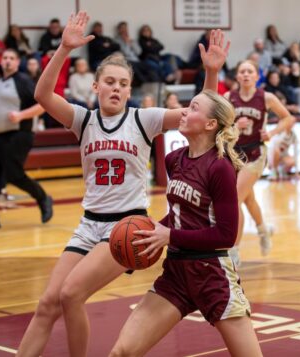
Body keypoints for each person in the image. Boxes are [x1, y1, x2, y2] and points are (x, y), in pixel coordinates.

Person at [16, 11, 229, 357]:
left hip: (126, 226)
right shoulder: (83, 119)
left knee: (70, 294)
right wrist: (64, 49)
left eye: (123, 84)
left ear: (130, 89)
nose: (116, 88)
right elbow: (42, 95)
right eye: (110, 82)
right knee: (46, 304)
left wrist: (212, 72)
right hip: (88, 224)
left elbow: (201, 115)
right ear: (96, 86)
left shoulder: (143, 119)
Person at [109, 89, 262, 357]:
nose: (183, 111)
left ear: (210, 124)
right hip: (176, 272)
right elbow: (180, 215)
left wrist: (170, 236)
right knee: (122, 352)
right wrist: (146, 237)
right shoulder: (174, 159)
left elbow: (225, 235)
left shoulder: (220, 168)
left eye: (192, 108)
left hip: (212, 273)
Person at [0, 49, 52, 230]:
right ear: (0, 62)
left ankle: (42, 197)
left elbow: (43, 104)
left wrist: (21, 115)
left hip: (17, 134)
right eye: (5, 58)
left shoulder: (22, 81)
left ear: (17, 63)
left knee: (13, 175)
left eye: (11, 58)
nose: (7, 61)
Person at [224, 60, 294, 266]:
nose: (245, 74)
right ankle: (264, 230)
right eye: (242, 71)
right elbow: (219, 125)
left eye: (250, 71)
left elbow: (288, 118)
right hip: (234, 153)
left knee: (234, 198)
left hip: (255, 153)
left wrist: (271, 132)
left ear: (257, 76)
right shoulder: (229, 98)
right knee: (247, 199)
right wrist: (234, 125)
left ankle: (234, 252)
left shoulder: (266, 97)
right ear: (237, 77)